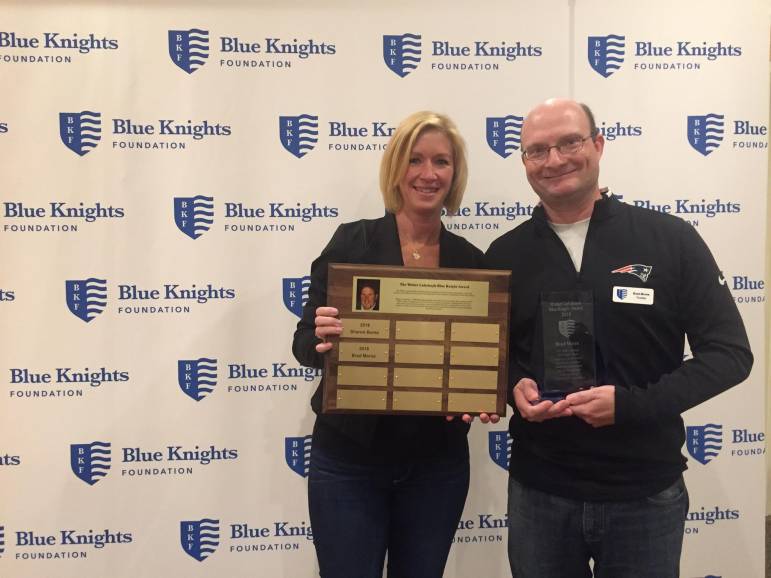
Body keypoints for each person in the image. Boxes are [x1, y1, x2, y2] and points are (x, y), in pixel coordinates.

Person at [484, 98, 753, 578]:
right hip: (540, 493)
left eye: (570, 142)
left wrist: (630, 406)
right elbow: (493, 357)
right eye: (537, 150)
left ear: (598, 144)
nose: (554, 160)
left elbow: (730, 354)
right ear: (524, 161)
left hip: (644, 493)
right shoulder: (505, 254)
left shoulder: (670, 238)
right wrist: (511, 387)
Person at [292, 111, 492, 578]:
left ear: (455, 173)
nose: (428, 173)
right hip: (350, 460)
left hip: (436, 465)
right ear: (396, 168)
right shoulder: (352, 243)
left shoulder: (472, 262)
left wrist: (483, 389)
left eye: (441, 161)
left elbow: (482, 359)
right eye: (415, 160)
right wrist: (320, 338)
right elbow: (303, 344)